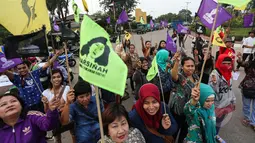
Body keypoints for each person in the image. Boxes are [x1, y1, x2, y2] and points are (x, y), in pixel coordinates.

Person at [169, 56, 199, 143]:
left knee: (185, 133)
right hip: (178, 110)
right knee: (174, 132)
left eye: (192, 66)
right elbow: (174, 75)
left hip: (190, 110)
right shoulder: (180, 76)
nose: (190, 68)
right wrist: (177, 62)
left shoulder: (196, 76)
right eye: (188, 66)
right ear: (182, 67)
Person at [41, 69, 72, 143]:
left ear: (62, 78)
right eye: (53, 77)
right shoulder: (45, 93)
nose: (56, 79)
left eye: (58, 77)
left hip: (68, 117)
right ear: (50, 79)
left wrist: (70, 100)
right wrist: (46, 103)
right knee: (58, 139)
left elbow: (71, 104)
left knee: (73, 134)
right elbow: (46, 111)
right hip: (56, 120)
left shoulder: (67, 88)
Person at [208, 54, 236, 134]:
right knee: (214, 124)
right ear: (220, 62)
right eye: (224, 63)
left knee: (219, 123)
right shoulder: (215, 74)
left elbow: (230, 89)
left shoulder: (228, 73)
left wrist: (233, 101)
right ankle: (211, 138)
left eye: (229, 63)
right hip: (217, 105)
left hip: (226, 103)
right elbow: (212, 91)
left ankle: (214, 136)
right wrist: (214, 83)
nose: (227, 65)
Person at [236, 52, 255, 130]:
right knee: (251, 106)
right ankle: (252, 121)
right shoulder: (250, 63)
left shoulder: (250, 63)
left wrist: (240, 58)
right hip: (248, 87)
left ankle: (249, 120)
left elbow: (241, 63)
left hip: (247, 86)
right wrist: (240, 58)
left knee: (247, 105)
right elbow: (241, 63)